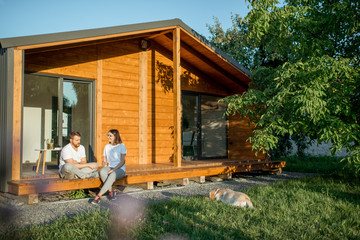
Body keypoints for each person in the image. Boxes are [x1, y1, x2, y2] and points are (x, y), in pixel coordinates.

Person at [91, 129, 127, 204]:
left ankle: (98, 196)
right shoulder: (107, 146)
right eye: (108, 135)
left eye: (110, 136)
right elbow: (105, 160)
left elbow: (123, 161)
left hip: (120, 169)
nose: (108, 137)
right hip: (110, 167)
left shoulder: (121, 146)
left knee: (112, 174)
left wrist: (114, 169)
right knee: (102, 171)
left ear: (115, 136)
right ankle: (111, 192)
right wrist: (104, 164)